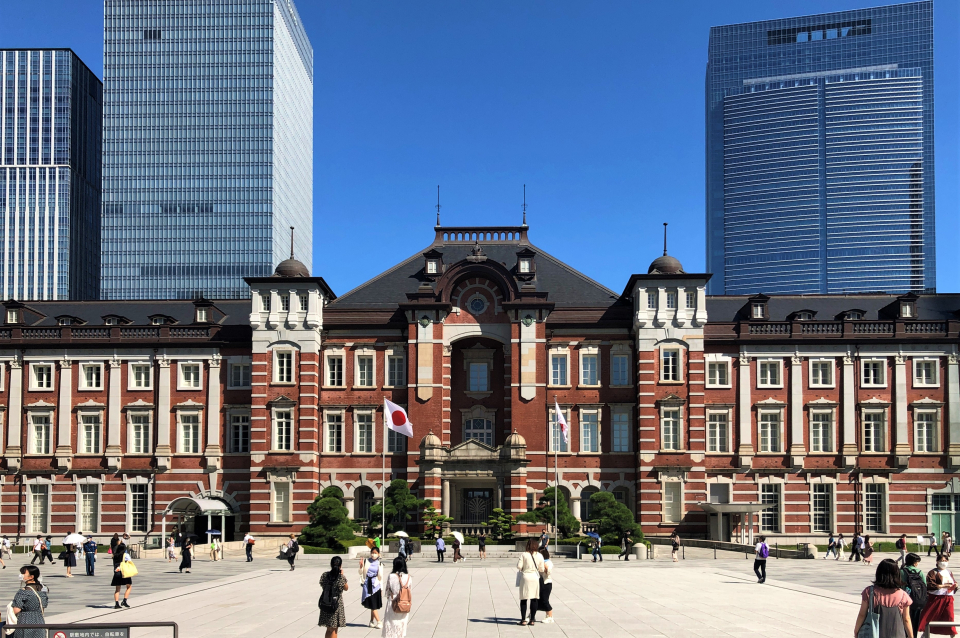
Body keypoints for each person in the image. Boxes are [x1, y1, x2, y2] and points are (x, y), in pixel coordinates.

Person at [854, 559, 912, 638]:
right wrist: (911, 636)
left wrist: (856, 631)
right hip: (897, 634)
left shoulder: (869, 592)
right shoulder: (903, 595)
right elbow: (906, 619)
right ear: (897, 574)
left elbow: (862, 614)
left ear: (879, 573)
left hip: (874, 633)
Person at [918, 554, 958, 636]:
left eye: (945, 561)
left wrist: (955, 585)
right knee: (930, 617)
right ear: (937, 561)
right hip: (936, 598)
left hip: (948, 598)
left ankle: (952, 634)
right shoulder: (933, 572)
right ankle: (925, 634)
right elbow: (930, 585)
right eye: (942, 561)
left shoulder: (949, 572)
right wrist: (943, 586)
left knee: (950, 617)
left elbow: (953, 581)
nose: (944, 562)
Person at [11, 565, 48, 638]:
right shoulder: (43, 590)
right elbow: (42, 608)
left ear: (31, 577)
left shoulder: (23, 592)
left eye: (23, 573)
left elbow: (16, 610)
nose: (21, 575)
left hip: (25, 621)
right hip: (39, 621)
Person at [516, 538, 545, 625]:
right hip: (535, 577)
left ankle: (523, 620)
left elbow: (519, 566)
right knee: (534, 598)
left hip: (525, 576)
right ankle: (532, 619)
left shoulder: (524, 554)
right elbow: (542, 569)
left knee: (524, 598)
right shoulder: (540, 555)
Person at [381, 556, 412, 638]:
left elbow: (387, 591)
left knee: (390, 623)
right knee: (401, 623)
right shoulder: (409, 577)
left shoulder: (391, 576)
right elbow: (409, 590)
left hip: (393, 601)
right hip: (404, 602)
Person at [318, 556, 349, 638]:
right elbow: (346, 588)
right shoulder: (340, 577)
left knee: (328, 629)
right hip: (336, 605)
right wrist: (342, 575)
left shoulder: (325, 575)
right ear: (340, 565)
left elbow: (322, 584)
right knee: (334, 629)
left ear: (331, 564)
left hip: (325, 602)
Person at [901, 553, 927, 636]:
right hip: (916, 600)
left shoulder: (901, 571)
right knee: (915, 622)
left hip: (903, 600)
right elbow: (925, 586)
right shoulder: (919, 572)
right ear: (914, 562)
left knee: (904, 620)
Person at [359, 547, 384, 629]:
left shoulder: (380, 564)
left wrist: (381, 588)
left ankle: (371, 621)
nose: (373, 554)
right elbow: (360, 572)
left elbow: (381, 577)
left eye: (375, 553)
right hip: (367, 584)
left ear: (378, 554)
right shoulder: (366, 561)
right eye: (372, 552)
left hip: (375, 585)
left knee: (374, 604)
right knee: (373, 604)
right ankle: (379, 621)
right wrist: (361, 566)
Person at [111, 537, 133, 609]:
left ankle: (116, 603)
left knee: (117, 589)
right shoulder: (125, 555)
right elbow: (130, 562)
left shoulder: (115, 555)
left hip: (117, 572)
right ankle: (124, 600)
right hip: (124, 572)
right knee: (129, 586)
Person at [538, 548, 555, 624]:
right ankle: (531, 615)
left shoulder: (548, 562)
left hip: (546, 583)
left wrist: (543, 564)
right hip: (538, 582)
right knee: (536, 600)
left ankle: (550, 617)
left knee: (544, 600)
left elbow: (548, 572)